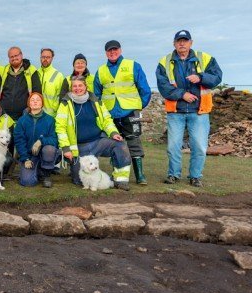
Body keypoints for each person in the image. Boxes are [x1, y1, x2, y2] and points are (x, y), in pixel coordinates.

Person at [156, 30, 222, 187]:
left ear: (191, 43)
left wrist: (201, 77)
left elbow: (217, 77)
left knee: (199, 146)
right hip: (176, 111)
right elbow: (163, 86)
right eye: (179, 40)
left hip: (199, 111)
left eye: (185, 41)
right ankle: (173, 175)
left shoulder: (205, 58)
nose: (182, 43)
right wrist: (182, 94)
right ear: (174, 43)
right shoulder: (164, 62)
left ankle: (195, 176)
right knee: (173, 147)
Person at [56, 76, 131, 190]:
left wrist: (113, 132)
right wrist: (66, 148)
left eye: (80, 85)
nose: (77, 88)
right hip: (78, 147)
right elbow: (60, 128)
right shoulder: (65, 104)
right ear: (71, 88)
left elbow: (106, 119)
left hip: (98, 142)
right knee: (78, 180)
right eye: (74, 86)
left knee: (120, 145)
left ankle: (120, 180)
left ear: (86, 86)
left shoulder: (95, 100)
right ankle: (87, 173)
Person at [94, 40, 151, 185]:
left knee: (134, 142)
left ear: (120, 50)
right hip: (111, 114)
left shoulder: (133, 65)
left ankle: (140, 176)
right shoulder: (100, 71)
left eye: (115, 49)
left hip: (130, 112)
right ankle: (117, 174)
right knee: (115, 144)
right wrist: (102, 112)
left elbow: (145, 89)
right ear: (106, 52)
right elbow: (96, 94)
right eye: (109, 50)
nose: (112, 52)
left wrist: (138, 107)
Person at [14, 93, 59, 188]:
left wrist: (41, 141)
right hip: (29, 156)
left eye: (38, 100)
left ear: (42, 103)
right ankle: (37, 170)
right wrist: (25, 158)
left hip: (44, 154)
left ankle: (46, 174)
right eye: (32, 100)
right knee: (27, 182)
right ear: (29, 103)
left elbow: (54, 140)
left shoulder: (50, 120)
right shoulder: (22, 120)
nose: (35, 101)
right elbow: (19, 141)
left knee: (49, 149)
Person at [0, 46, 41, 121]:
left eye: (16, 55)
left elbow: (37, 92)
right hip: (4, 115)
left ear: (21, 55)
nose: (14, 58)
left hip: (25, 115)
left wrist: (30, 109)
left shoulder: (32, 70)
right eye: (11, 57)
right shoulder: (2, 71)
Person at [36, 48, 65, 117]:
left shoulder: (59, 75)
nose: (45, 59)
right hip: (35, 114)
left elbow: (61, 97)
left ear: (52, 58)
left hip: (51, 116)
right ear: (40, 58)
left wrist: (55, 109)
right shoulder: (35, 73)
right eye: (43, 57)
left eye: (48, 57)